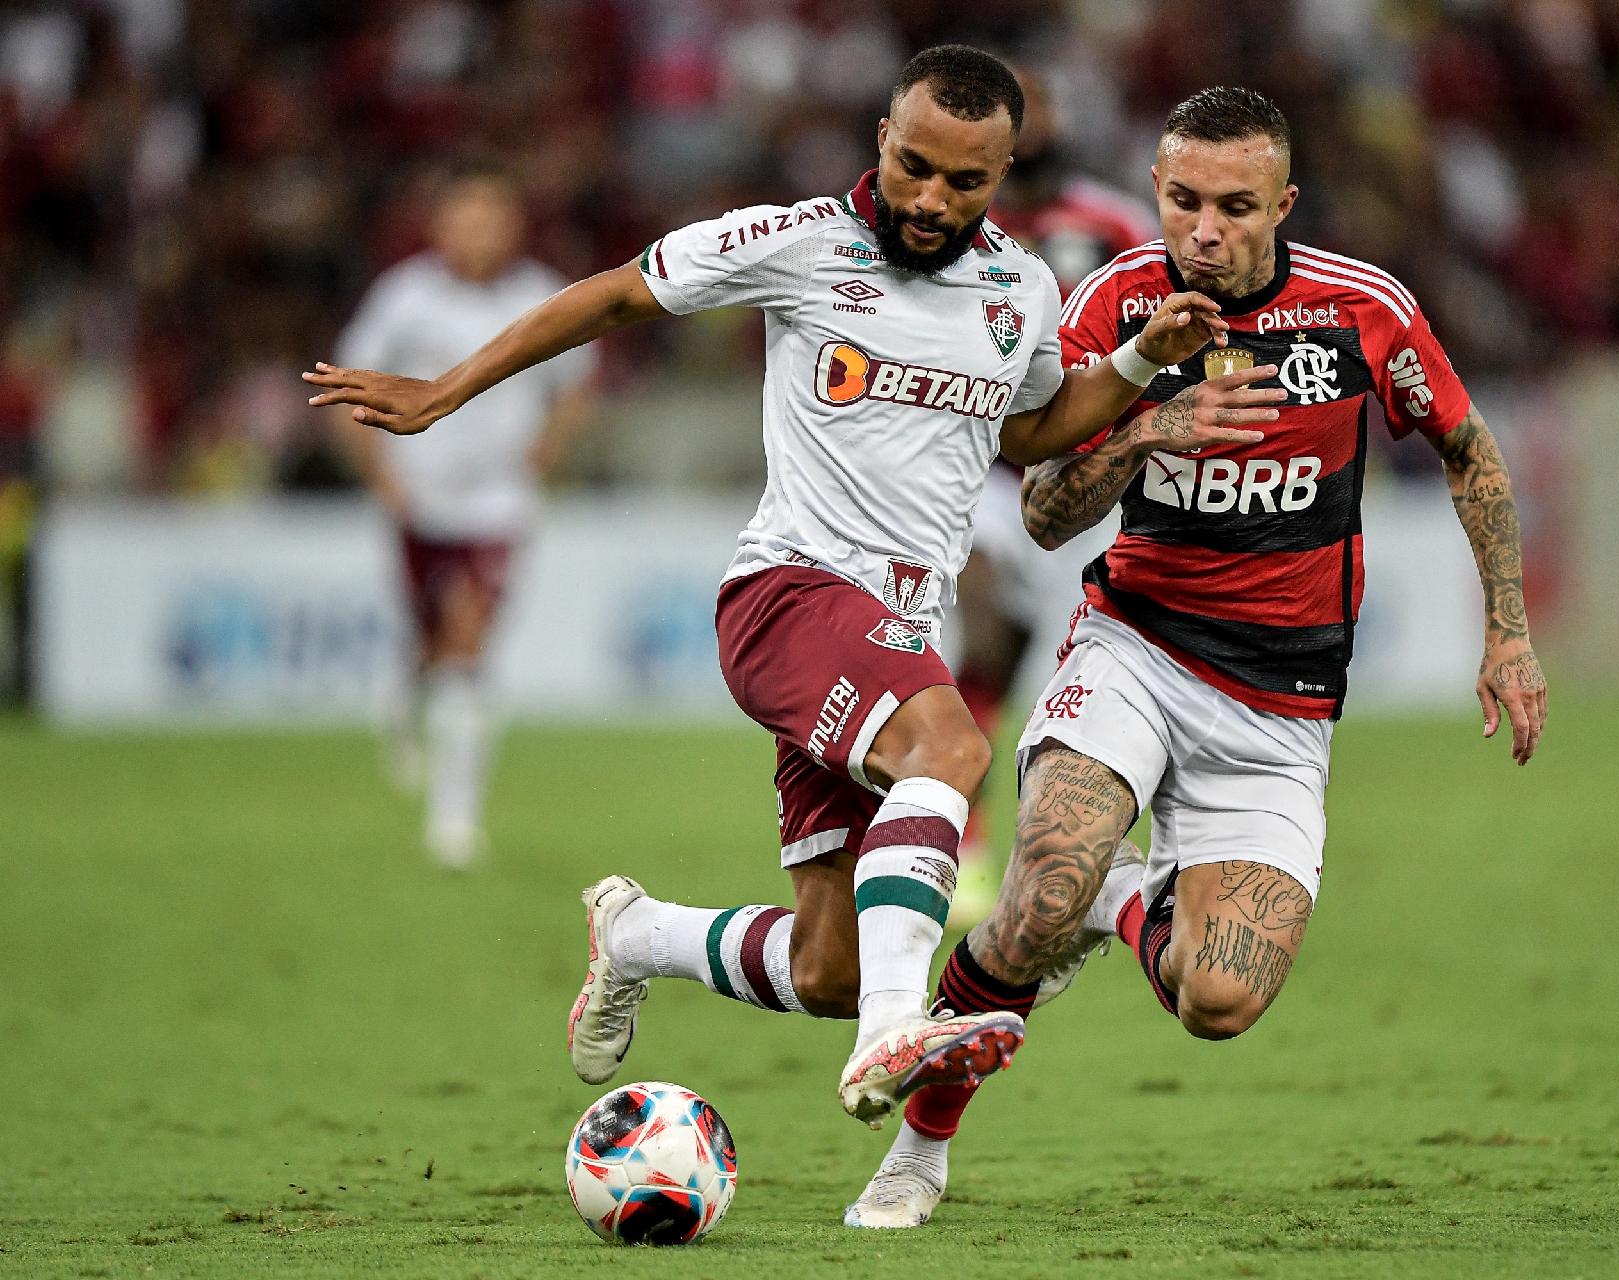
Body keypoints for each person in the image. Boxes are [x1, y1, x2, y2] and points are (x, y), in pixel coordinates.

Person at [304, 48, 1272, 1133]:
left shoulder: (1020, 286)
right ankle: (897, 1030)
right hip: (791, 596)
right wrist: (447, 390)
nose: (929, 197)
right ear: (881, 138)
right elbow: (619, 294)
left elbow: (1035, 426)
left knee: (829, 966)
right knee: (951, 748)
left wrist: (1141, 359)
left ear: (1005, 174)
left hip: (897, 630)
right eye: (914, 166)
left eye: (965, 181)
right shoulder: (798, 240)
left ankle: (639, 936)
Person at [843, 85, 1549, 1228]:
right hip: (1136, 647)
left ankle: (1122, 901)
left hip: (1284, 700)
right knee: (1035, 894)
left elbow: (1468, 450)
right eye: (1181, 201)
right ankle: (917, 1151)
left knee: (1217, 1000)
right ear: (1156, 194)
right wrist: (1143, 429)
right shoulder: (1114, 304)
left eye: (1233, 206)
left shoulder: (1363, 309)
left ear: (1284, 204)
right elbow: (1045, 511)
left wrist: (1508, 627)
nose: (1203, 230)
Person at [330, 167, 596, 868]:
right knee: (432, 642)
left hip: (498, 503)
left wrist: (543, 454)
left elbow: (577, 383)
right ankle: (404, 692)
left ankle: (455, 816)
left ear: (512, 225)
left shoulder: (539, 295)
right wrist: (381, 476)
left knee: (468, 641)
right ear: (441, 223)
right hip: (420, 499)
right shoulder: (406, 296)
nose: (479, 231)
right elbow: (350, 379)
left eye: (492, 216)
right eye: (466, 216)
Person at [946, 64, 1160, 925]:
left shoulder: (1113, 221)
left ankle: (1134, 861)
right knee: (985, 633)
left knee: (1081, 671)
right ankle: (964, 840)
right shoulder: (960, 226)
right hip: (993, 469)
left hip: (1104, 476)